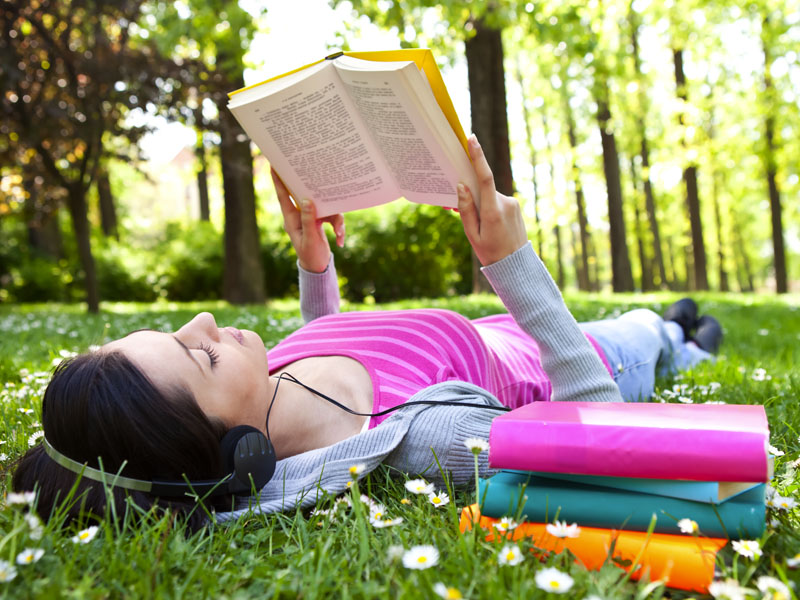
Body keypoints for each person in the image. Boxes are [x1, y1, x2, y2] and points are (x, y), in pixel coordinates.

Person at [12, 136, 722, 527]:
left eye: (176, 329)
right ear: (238, 451)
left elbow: (328, 346)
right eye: (196, 355)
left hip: (496, 327)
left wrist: (314, 265)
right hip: (565, 348)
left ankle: (677, 330)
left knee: (650, 322)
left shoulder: (264, 382)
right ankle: (683, 339)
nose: (204, 323)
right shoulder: (424, 441)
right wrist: (515, 266)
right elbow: (604, 441)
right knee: (644, 331)